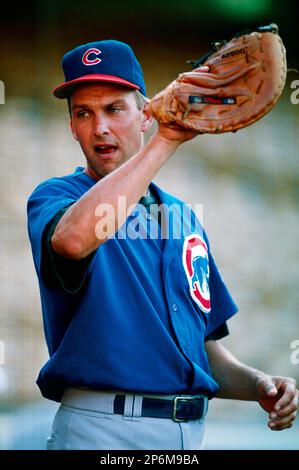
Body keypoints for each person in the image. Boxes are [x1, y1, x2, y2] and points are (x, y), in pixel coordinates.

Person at [27, 39, 298, 450]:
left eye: (114, 109)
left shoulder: (184, 218)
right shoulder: (57, 198)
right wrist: (167, 140)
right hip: (101, 430)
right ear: (72, 127)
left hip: (187, 436)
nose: (99, 126)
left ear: (145, 116)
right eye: (84, 113)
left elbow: (202, 351)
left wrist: (259, 384)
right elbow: (74, 239)